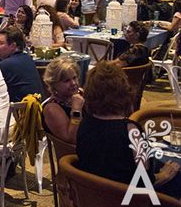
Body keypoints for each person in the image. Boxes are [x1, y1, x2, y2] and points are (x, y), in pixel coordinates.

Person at [77, 62, 181, 197]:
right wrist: (163, 176)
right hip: (128, 201)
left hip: (92, 197)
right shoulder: (131, 131)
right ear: (123, 92)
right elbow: (144, 181)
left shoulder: (84, 124)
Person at [0, 27, 44, 102]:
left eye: (1, 43)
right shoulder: (28, 58)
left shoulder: (5, 64)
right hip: (37, 106)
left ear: (13, 46)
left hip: (21, 108)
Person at [41, 58, 84, 143]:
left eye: (74, 78)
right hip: (76, 150)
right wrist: (76, 110)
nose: (73, 83)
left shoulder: (79, 95)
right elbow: (73, 139)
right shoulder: (51, 109)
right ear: (54, 84)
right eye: (66, 81)